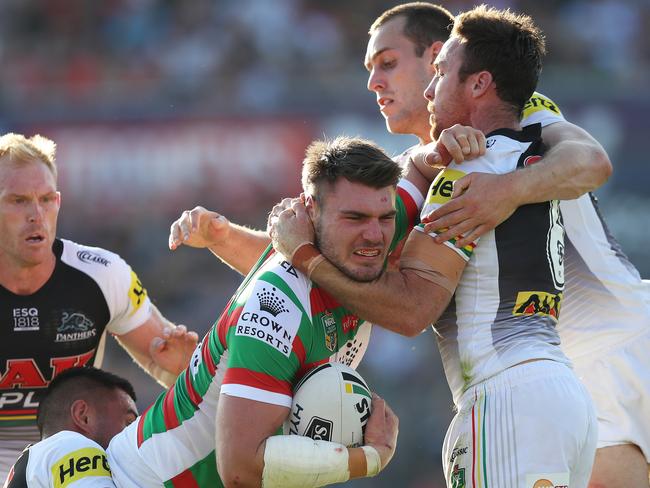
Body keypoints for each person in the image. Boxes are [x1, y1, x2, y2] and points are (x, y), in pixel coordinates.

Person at [270, 6, 597, 488]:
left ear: (479, 84)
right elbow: (592, 161)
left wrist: (305, 256)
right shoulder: (532, 156)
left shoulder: (470, 174)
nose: (428, 89)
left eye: (440, 74)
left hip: (505, 398)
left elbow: (411, 310)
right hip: (563, 396)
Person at [367, 3, 650, 487]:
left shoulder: (521, 113)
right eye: (370, 70)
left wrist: (509, 190)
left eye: (388, 63)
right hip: (561, 368)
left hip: (607, 344)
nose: (375, 82)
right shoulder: (421, 169)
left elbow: (591, 160)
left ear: (439, 56)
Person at [106, 137, 402, 487]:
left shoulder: (345, 259)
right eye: (354, 218)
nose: (374, 235)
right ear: (311, 212)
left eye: (386, 218)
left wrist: (444, 148)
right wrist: (371, 458)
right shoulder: (279, 308)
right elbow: (240, 469)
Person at [0, 133, 198, 479]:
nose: (37, 215)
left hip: (75, 465)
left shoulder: (103, 274)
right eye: (18, 201)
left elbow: (167, 364)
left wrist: (183, 366)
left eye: (46, 199)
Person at [4, 367, 138, 488]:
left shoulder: (35, 464)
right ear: (83, 415)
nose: (134, 435)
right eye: (129, 423)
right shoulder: (71, 445)